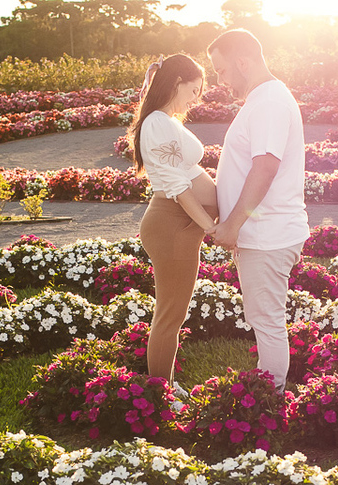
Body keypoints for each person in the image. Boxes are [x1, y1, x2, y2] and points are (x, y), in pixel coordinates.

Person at [208, 29, 308, 393]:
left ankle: (271, 400)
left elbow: (265, 167)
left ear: (243, 62)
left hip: (267, 235)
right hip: (262, 233)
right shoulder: (262, 100)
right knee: (264, 318)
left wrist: (232, 224)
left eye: (221, 71)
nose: (221, 81)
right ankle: (270, 393)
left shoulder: (268, 101)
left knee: (266, 321)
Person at [126, 53, 218, 398]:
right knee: (169, 315)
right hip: (172, 225)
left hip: (178, 226)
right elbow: (178, 187)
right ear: (177, 83)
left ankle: (166, 386)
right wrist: (210, 225)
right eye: (194, 90)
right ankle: (159, 392)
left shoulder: (166, 120)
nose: (195, 99)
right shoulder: (156, 123)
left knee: (172, 313)